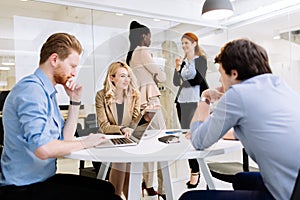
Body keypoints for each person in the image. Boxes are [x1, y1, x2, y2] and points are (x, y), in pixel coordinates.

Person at [0, 32, 121, 200]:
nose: (74, 73)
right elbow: (43, 149)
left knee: (106, 188)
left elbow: (66, 138)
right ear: (54, 59)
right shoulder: (31, 91)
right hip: (22, 189)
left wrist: (74, 101)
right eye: (72, 66)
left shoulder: (46, 92)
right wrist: (86, 142)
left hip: (42, 179)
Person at [181, 38, 300, 200]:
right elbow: (255, 132)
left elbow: (199, 141)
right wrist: (219, 131)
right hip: (295, 180)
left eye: (222, 74)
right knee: (241, 179)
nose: (220, 81)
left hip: (288, 195)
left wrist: (205, 98)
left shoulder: (237, 94)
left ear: (234, 74)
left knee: (189, 198)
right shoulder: (279, 85)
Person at [126, 20, 166, 199]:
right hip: (151, 101)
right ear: (144, 36)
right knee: (163, 143)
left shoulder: (132, 54)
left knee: (146, 143)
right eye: (149, 35)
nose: (151, 39)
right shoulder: (142, 51)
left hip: (141, 102)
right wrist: (158, 76)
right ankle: (164, 190)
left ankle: (147, 184)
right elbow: (162, 75)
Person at [95, 61, 140, 198]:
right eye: (122, 76)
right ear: (112, 78)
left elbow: (135, 122)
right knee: (121, 158)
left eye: (128, 76)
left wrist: (147, 113)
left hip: (127, 139)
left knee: (128, 160)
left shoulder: (134, 95)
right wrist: (122, 128)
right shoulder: (101, 96)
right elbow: (104, 126)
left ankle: (128, 196)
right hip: (110, 139)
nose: (127, 80)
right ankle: (117, 195)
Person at [173, 32, 209, 189]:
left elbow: (198, 80)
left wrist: (183, 77)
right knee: (186, 137)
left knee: (195, 135)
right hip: (182, 102)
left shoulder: (200, 60)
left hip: (195, 100)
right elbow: (176, 82)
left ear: (194, 43)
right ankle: (193, 170)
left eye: (186, 43)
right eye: (182, 43)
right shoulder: (182, 62)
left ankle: (199, 170)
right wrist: (177, 69)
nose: (184, 46)